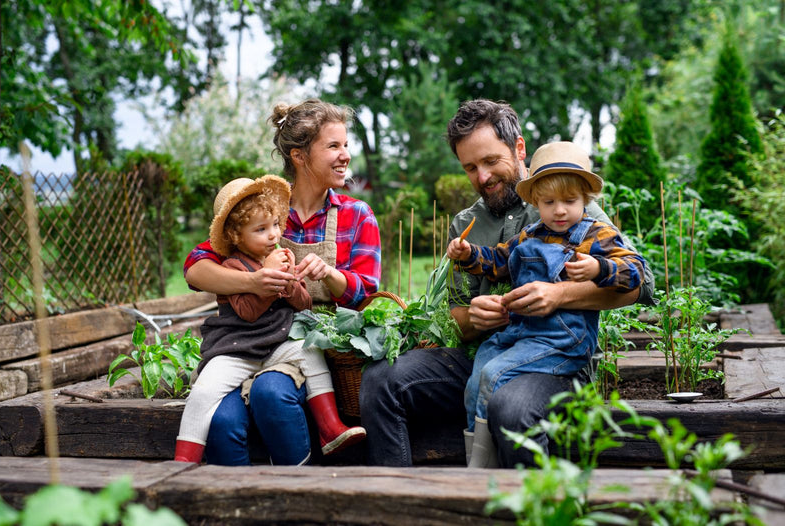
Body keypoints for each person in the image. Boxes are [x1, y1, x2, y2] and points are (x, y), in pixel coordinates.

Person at [359, 99, 654, 468]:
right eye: (470, 167)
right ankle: (396, 505)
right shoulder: (467, 224)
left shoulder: (565, 202)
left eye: (490, 161)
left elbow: (641, 285)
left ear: (518, 149)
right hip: (489, 352)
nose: (482, 177)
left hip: (553, 360)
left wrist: (559, 294)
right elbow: (457, 318)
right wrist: (475, 318)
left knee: (509, 405)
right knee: (381, 380)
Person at [182, 99, 381, 466]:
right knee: (222, 422)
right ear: (300, 156)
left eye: (346, 145)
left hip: (310, 347)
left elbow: (367, 293)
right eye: (333, 146)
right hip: (243, 341)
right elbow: (195, 267)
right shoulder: (263, 213)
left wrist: (331, 275)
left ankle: (294, 494)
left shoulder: (357, 215)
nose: (345, 156)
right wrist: (256, 282)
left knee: (270, 395)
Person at [446, 141, 647, 467]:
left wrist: (599, 268)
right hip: (522, 334)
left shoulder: (595, 236)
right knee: (476, 379)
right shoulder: (530, 236)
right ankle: (479, 456)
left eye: (570, 201)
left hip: (563, 341)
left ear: (586, 199)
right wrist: (469, 254)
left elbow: (636, 271)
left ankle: (479, 470)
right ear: (536, 201)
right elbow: (498, 260)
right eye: (549, 202)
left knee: (493, 375)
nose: (560, 210)